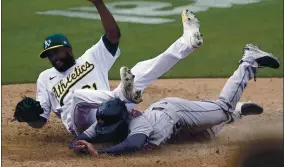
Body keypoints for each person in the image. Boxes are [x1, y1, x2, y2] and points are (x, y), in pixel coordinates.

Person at [19, 0, 204, 136]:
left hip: (111, 112)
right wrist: (30, 117)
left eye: (56, 52)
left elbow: (113, 34)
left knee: (140, 70)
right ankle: (122, 95)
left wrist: (98, 2)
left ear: (68, 49)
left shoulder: (92, 57)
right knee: (76, 97)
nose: (53, 58)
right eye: (49, 55)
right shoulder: (45, 78)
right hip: (83, 126)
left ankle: (187, 43)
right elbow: (40, 121)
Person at [70, 44, 280, 156]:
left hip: (176, 112)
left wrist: (99, 153)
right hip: (172, 128)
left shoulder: (138, 124)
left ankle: (249, 60)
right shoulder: (105, 120)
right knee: (206, 135)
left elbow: (133, 144)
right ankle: (238, 112)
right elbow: (81, 138)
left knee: (221, 110)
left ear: (125, 118)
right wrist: (79, 145)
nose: (103, 132)